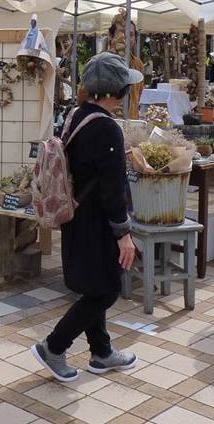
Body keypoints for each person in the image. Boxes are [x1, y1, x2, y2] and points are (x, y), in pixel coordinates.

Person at [32, 52, 141, 383]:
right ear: (114, 92)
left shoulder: (76, 115)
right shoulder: (107, 129)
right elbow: (112, 191)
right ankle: (54, 346)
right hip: (97, 222)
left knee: (94, 286)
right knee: (105, 291)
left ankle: (102, 352)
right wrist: (124, 234)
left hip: (75, 215)